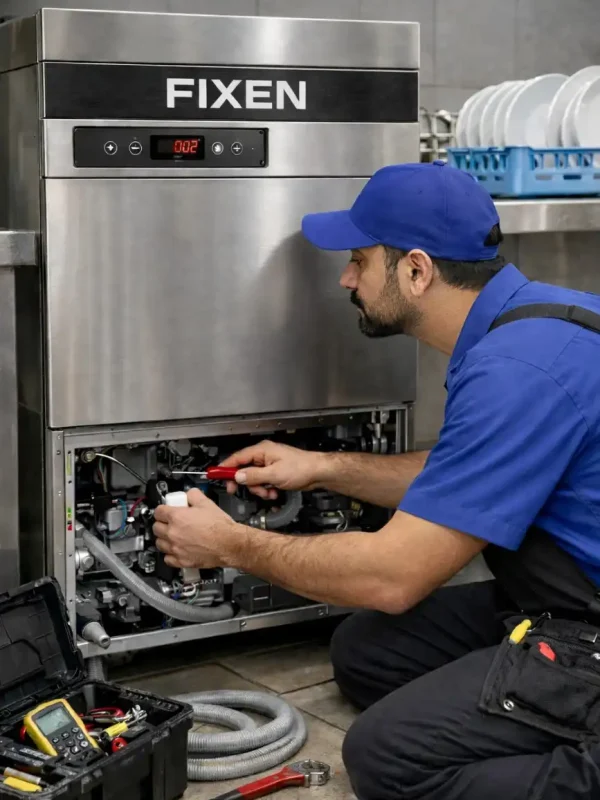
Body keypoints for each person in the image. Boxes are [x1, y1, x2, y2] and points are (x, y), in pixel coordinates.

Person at [153, 161, 600, 799]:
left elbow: (392, 578)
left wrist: (230, 545)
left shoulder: (514, 371)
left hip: (588, 628)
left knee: (388, 759)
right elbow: (468, 472)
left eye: (359, 260)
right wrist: (323, 468)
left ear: (417, 271)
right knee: (368, 653)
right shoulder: (539, 321)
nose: (346, 278)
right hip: (565, 594)